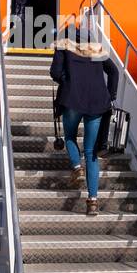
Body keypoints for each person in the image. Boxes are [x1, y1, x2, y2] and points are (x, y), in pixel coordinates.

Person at [50, 23, 119, 215]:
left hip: (72, 99)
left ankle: (76, 167)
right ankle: (93, 202)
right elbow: (114, 72)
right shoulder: (96, 48)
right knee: (91, 152)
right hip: (97, 103)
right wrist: (111, 95)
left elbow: (54, 72)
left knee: (70, 136)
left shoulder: (63, 45)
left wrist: (66, 80)